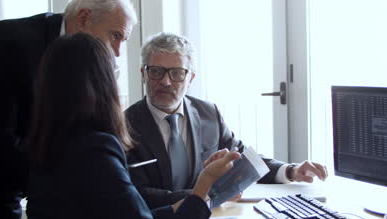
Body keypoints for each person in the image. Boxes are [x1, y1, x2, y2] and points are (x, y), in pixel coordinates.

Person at [21, 32, 240, 219]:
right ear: (101, 83)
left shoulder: (48, 141)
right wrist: (203, 185)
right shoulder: (97, 150)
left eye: (176, 73)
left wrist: (173, 210)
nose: (166, 81)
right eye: (114, 72)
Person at [0, 0, 137, 219]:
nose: (119, 52)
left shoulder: (85, 64)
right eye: (116, 35)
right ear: (84, 18)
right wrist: (62, 178)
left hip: (21, 195)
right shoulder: (8, 42)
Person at [125, 32, 329, 209]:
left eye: (177, 73)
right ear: (144, 73)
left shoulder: (208, 113)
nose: (166, 81)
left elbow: (242, 159)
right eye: (156, 72)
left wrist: (291, 171)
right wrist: (201, 195)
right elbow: (133, 193)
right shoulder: (124, 125)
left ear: (191, 78)